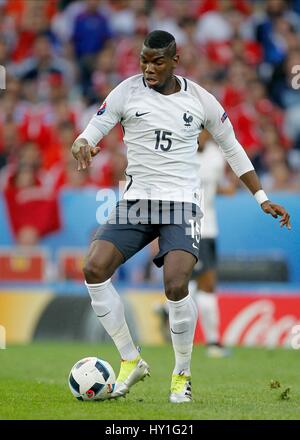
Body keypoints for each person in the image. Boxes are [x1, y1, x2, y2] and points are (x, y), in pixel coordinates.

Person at [71, 30, 291, 404]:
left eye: (157, 61)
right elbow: (92, 131)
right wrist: (81, 143)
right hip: (137, 201)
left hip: (181, 205)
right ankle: (130, 359)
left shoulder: (200, 100)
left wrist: (261, 196)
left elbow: (232, 148)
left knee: (175, 284)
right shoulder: (126, 91)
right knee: (94, 269)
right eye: (144, 60)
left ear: (175, 59)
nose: (149, 68)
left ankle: (181, 374)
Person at [193, 129, 236, 358]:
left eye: (205, 130)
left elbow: (218, 185)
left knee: (198, 284)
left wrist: (228, 187)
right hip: (188, 226)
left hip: (208, 227)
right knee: (203, 284)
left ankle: (168, 315)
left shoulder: (214, 156)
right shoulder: (182, 151)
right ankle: (212, 343)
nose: (202, 135)